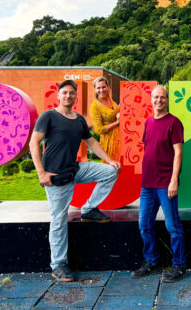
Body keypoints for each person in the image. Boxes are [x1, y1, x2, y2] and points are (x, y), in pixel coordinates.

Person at [29, 79, 122, 282]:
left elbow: (91, 142)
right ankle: (58, 265)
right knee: (59, 220)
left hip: (75, 169)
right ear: (59, 95)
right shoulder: (49, 116)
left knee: (110, 172)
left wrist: (110, 160)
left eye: (71, 93)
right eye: (65, 93)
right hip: (56, 178)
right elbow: (33, 143)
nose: (68, 96)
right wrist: (41, 173)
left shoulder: (78, 119)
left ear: (75, 97)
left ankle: (88, 209)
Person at [131, 84, 186, 282]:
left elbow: (178, 153)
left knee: (173, 226)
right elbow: (150, 150)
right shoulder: (148, 122)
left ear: (167, 100)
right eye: (156, 97)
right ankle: (151, 261)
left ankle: (179, 264)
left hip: (165, 184)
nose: (159, 100)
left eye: (162, 97)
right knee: (144, 224)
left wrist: (173, 181)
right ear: (151, 99)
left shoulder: (174, 123)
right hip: (148, 185)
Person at [89, 77, 121, 161]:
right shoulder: (94, 106)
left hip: (119, 140)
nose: (101, 90)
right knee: (112, 170)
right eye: (98, 88)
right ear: (95, 89)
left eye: (103, 87)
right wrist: (117, 122)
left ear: (108, 87)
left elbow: (115, 112)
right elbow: (99, 130)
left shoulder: (110, 100)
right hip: (108, 143)